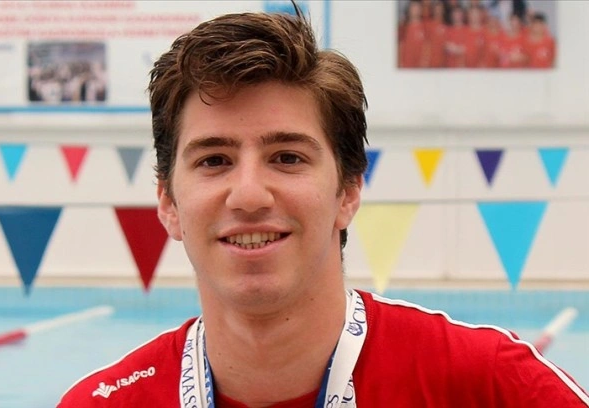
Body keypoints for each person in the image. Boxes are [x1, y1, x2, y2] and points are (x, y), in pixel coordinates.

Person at [58, 4, 589, 407]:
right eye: (214, 160)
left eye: (287, 157)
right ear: (168, 202)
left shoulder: (491, 384)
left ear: (348, 191)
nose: (249, 195)